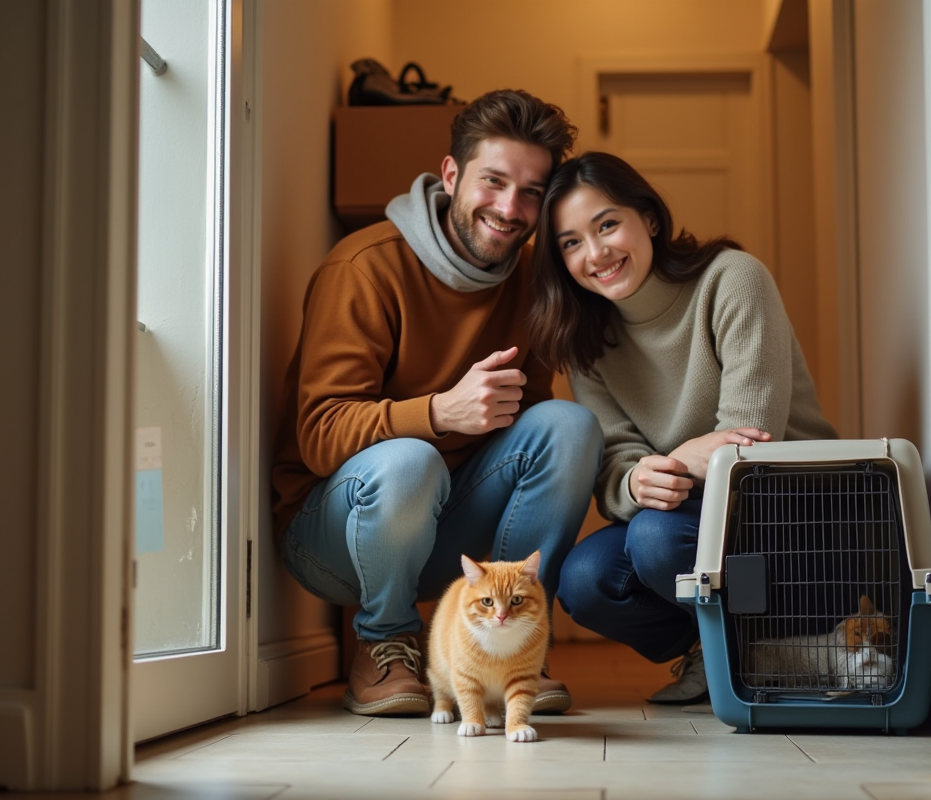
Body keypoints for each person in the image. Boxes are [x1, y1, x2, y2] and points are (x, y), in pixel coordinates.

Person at [271, 90, 604, 717]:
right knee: (409, 461)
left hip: (449, 539)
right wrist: (437, 413)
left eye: (531, 191)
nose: (510, 209)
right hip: (332, 538)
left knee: (569, 425)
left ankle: (515, 651)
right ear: (451, 175)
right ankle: (383, 641)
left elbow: (530, 433)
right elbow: (317, 435)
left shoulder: (535, 281)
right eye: (494, 181)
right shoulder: (365, 267)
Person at [528, 151, 837, 704]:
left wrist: (673, 468)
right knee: (585, 580)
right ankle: (723, 652)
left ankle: (778, 650)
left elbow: (749, 440)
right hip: (685, 511)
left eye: (606, 225)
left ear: (648, 218)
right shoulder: (584, 339)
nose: (596, 253)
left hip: (793, 507)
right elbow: (617, 459)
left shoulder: (732, 280)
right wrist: (632, 483)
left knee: (653, 537)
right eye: (571, 242)